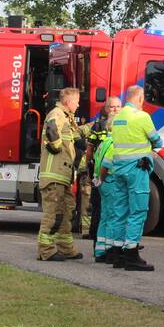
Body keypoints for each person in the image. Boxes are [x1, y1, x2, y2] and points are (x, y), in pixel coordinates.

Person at [102, 85, 162, 271]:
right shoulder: (142, 117)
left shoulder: (118, 117)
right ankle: (131, 255)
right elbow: (157, 140)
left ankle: (118, 254)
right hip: (137, 170)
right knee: (138, 212)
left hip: (119, 170)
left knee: (120, 211)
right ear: (140, 98)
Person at [36, 87, 83, 261]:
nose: (78, 105)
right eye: (76, 102)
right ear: (68, 102)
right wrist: (55, 146)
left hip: (63, 176)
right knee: (52, 214)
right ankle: (46, 251)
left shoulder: (66, 118)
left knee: (66, 212)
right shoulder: (56, 114)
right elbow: (51, 131)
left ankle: (66, 248)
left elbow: (75, 135)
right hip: (54, 175)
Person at [87, 96, 122, 255]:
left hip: (102, 175)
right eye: (112, 107)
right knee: (102, 211)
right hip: (103, 175)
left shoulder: (119, 125)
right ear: (106, 108)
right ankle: (103, 245)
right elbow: (90, 150)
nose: (115, 110)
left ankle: (104, 247)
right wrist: (91, 172)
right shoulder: (99, 126)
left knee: (106, 213)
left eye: (118, 107)